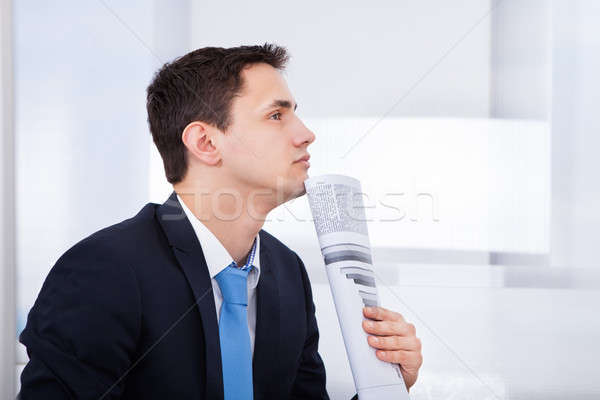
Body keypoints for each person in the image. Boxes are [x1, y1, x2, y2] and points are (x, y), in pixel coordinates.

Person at [18, 44, 422, 399]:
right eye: (276, 116)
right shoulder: (104, 270)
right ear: (206, 143)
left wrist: (385, 387)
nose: (306, 134)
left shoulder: (286, 274)